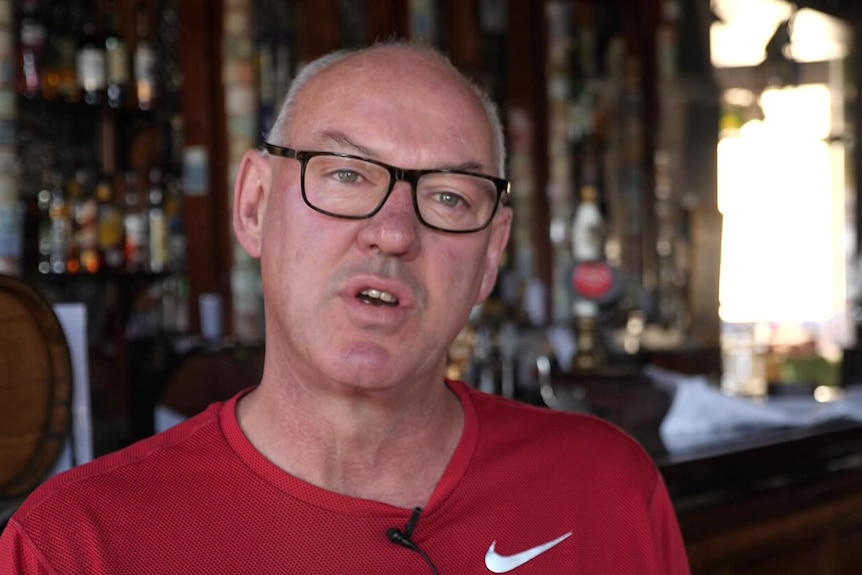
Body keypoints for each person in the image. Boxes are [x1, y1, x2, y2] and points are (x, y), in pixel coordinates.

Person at [0, 41, 690, 574]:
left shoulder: (605, 489)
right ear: (255, 206)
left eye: (450, 196)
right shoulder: (76, 544)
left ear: (490, 254)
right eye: (347, 175)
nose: (393, 231)